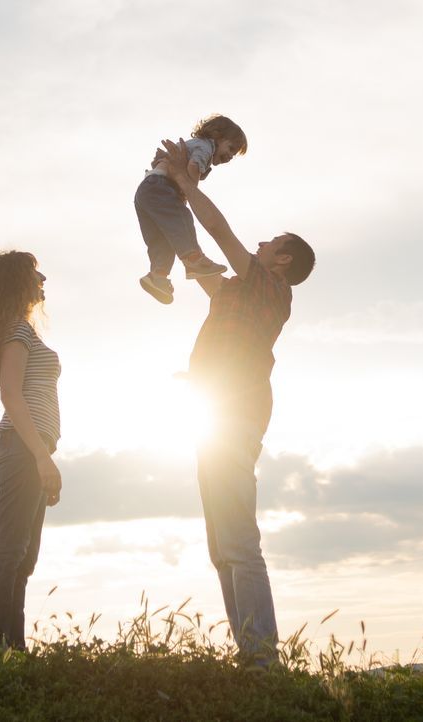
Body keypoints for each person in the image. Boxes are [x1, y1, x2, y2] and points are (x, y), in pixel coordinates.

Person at [158, 137, 315, 664]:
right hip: (216, 416)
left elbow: (221, 234)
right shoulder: (241, 291)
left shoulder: (272, 290)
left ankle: (263, 659)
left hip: (235, 419)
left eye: (270, 243)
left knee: (240, 544)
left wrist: (186, 183)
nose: (261, 244)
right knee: (222, 546)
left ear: (282, 259)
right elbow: (208, 274)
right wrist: (168, 208)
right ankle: (250, 654)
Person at [0, 250, 63, 650]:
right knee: (11, 550)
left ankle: (13, 652)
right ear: (17, 282)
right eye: (35, 273)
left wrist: (44, 456)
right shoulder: (17, 331)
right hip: (23, 445)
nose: (43, 278)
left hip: (29, 446)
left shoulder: (21, 330)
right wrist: (41, 457)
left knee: (23, 556)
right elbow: (12, 397)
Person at [134, 114, 250, 305]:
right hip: (161, 187)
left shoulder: (198, 145)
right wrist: (190, 193)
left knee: (163, 239)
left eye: (234, 154)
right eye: (230, 148)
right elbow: (194, 166)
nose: (230, 156)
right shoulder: (205, 146)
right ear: (216, 136)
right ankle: (194, 259)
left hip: (146, 191)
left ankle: (158, 276)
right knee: (182, 221)